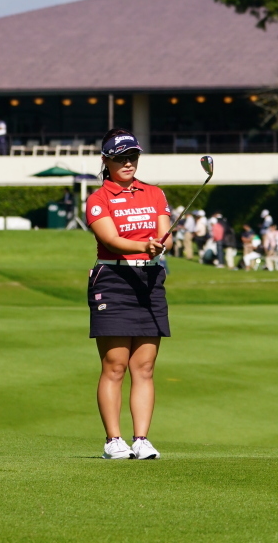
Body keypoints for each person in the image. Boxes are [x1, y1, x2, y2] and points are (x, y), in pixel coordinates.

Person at [85, 128, 170, 460]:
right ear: (106, 161)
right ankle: (113, 441)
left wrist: (161, 244)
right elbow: (111, 239)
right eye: (121, 157)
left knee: (145, 366)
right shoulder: (98, 199)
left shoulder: (154, 194)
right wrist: (142, 245)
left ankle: (141, 439)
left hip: (150, 279)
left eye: (133, 156)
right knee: (115, 364)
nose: (128, 162)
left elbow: (164, 233)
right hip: (114, 277)